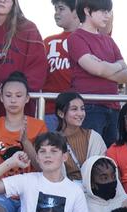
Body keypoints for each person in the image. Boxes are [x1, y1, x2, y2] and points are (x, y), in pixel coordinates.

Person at [67, 0, 127, 146]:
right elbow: (95, 69)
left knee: (110, 159)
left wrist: (104, 66)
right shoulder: (76, 38)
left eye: (108, 11)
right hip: (89, 106)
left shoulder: (109, 40)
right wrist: (114, 66)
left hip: (113, 107)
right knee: (89, 157)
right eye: (103, 11)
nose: (107, 16)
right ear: (87, 11)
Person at [0, 0, 47, 121]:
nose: (2, 1)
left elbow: (38, 68)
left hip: (22, 115)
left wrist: (12, 89)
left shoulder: (29, 29)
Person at [0, 72, 48, 176]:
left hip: (30, 187)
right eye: (8, 95)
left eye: (19, 95)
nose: (13, 100)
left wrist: (25, 142)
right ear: (2, 98)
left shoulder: (39, 126)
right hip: (2, 187)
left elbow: (42, 167)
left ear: (27, 98)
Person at [43, 0, 80, 132]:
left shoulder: (89, 39)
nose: (56, 13)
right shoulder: (47, 42)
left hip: (80, 111)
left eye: (61, 9)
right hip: (51, 110)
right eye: (55, 9)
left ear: (75, 11)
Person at [54, 92, 107, 182]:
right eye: (74, 109)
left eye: (82, 109)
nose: (80, 113)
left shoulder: (93, 137)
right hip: (65, 191)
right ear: (61, 113)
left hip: (94, 191)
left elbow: (103, 169)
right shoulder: (53, 141)